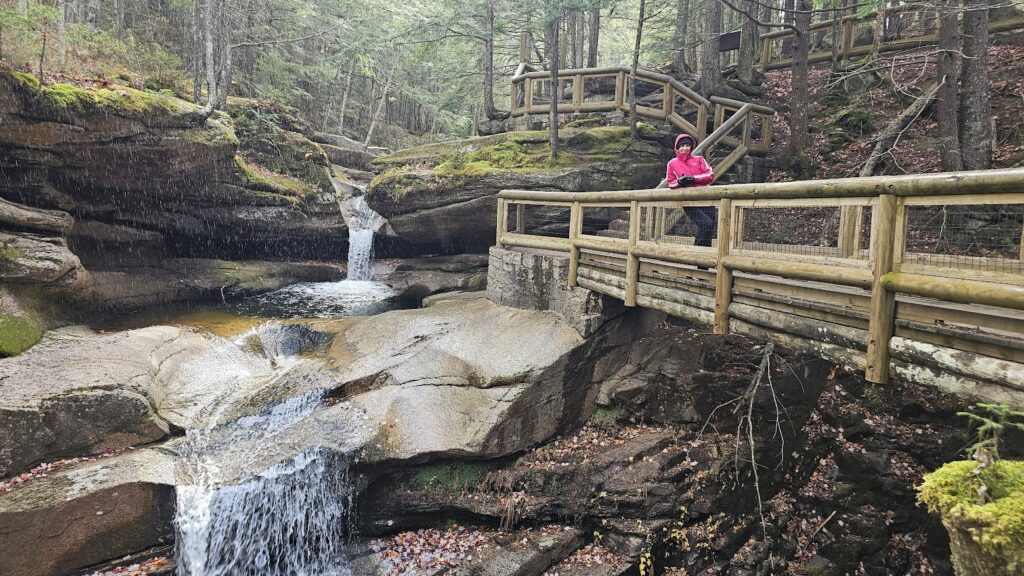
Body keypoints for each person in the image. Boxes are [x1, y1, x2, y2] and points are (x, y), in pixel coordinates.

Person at [665, 133, 716, 247]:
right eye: (682, 146)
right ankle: (697, 254)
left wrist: (693, 179)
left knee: (710, 228)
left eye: (687, 145)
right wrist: (680, 182)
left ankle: (703, 261)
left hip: (706, 198)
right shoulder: (672, 163)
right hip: (688, 201)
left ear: (691, 147)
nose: (685, 148)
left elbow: (710, 175)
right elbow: (670, 183)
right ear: (677, 148)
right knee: (706, 224)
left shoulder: (699, 159)